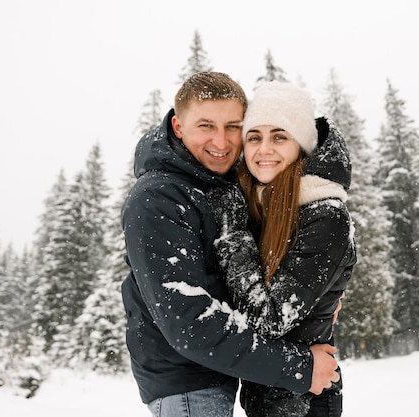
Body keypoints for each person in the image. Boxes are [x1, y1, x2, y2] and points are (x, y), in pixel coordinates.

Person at [120, 72, 340, 417]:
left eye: (233, 127)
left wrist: (321, 298)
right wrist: (298, 367)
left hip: (217, 379)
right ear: (178, 126)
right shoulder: (159, 197)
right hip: (186, 385)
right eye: (206, 126)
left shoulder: (216, 189)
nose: (221, 143)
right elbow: (191, 322)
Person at [205, 81, 357, 417]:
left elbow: (270, 319)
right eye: (254, 137)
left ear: (301, 145)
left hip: (304, 402)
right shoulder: (261, 205)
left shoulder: (325, 215)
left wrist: (233, 235)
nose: (264, 149)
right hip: (268, 397)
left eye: (279, 136)